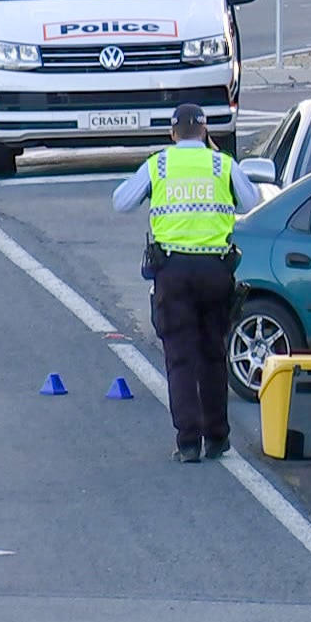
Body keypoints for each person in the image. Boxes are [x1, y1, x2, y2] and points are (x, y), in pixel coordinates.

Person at [113, 103, 260, 462]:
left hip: (174, 272)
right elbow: (251, 200)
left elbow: (121, 202)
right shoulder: (221, 164)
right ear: (205, 131)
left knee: (180, 358)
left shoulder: (159, 165)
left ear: (173, 133)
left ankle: (189, 442)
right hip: (216, 271)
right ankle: (217, 437)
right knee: (213, 354)